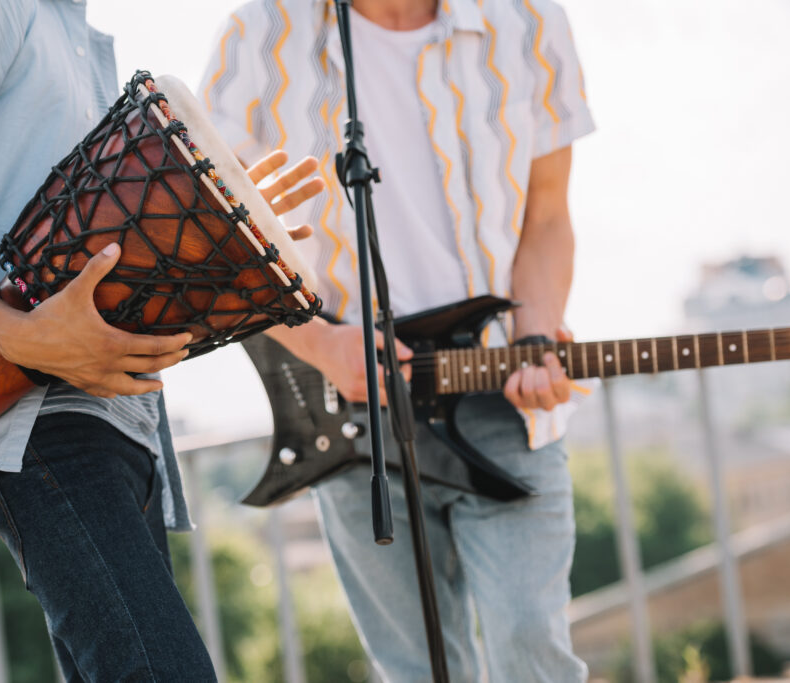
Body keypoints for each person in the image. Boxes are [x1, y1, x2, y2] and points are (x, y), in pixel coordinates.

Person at [0, 1, 321, 680]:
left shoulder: (72, 32)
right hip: (38, 423)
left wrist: (213, 216)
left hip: (120, 427)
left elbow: (96, 246)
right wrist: (11, 330)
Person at [202, 0, 596, 679]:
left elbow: (549, 215)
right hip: (358, 426)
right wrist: (320, 345)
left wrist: (534, 332)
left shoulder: (530, 18)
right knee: (418, 669)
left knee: (532, 650)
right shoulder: (260, 33)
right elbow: (209, 238)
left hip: (505, 405)